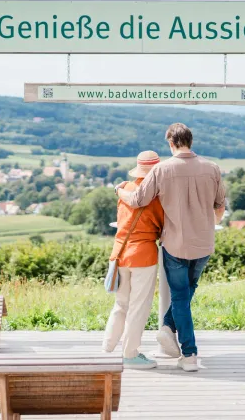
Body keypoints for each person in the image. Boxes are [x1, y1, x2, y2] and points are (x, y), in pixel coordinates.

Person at [116, 123, 225, 372]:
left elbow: (137, 200)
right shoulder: (212, 168)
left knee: (179, 297)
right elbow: (220, 206)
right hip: (204, 244)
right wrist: (208, 224)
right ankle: (167, 328)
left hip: (175, 245)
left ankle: (189, 354)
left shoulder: (162, 170)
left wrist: (119, 190)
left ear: (170, 143)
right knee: (186, 294)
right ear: (190, 141)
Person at [103, 150, 165, 369]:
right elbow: (161, 226)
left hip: (120, 253)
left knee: (121, 304)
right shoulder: (158, 197)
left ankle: (108, 346)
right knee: (139, 307)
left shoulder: (125, 189)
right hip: (143, 255)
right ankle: (130, 354)